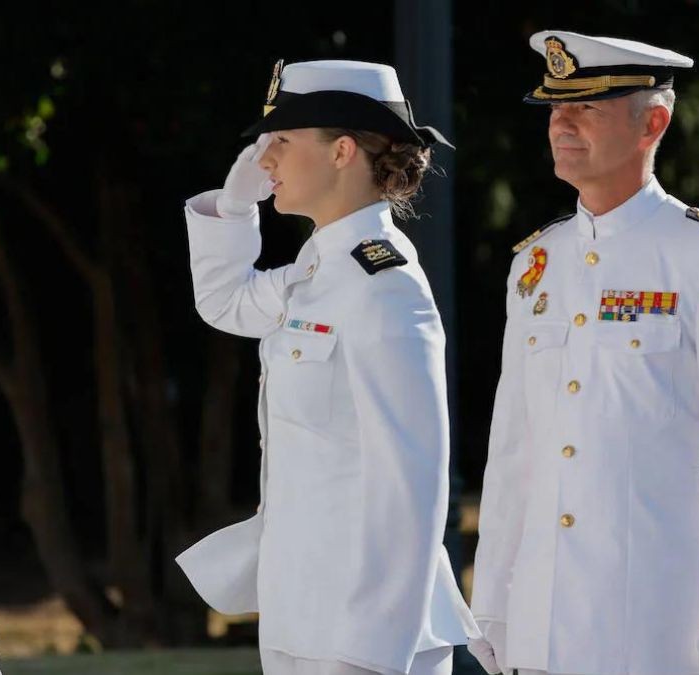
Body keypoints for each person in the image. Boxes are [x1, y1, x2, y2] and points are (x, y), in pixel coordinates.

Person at [467, 31, 699, 675]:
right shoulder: (538, 262)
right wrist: (494, 602)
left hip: (659, 617)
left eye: (586, 107)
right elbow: (514, 446)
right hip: (545, 611)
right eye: (555, 107)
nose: (561, 122)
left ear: (655, 122)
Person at [176, 59, 477, 675]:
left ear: (342, 151)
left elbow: (411, 486)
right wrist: (233, 212)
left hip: (364, 636)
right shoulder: (321, 272)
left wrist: (376, 650)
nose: (265, 161)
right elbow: (226, 302)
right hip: (303, 615)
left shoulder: (383, 285)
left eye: (282, 141)